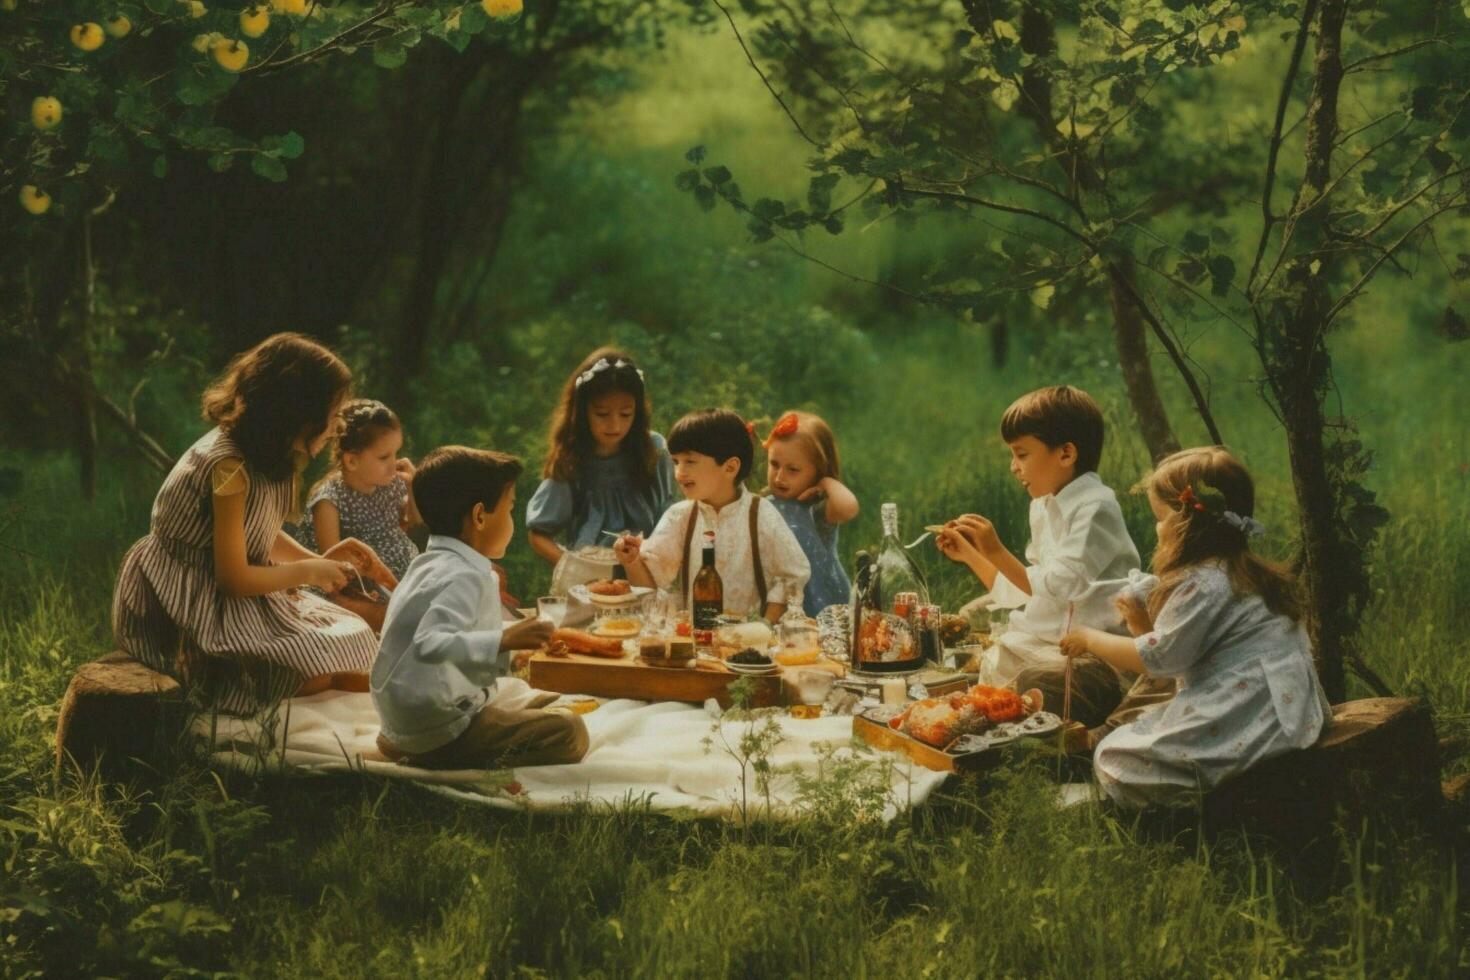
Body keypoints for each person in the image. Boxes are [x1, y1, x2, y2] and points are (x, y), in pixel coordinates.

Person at [112, 333, 394, 715]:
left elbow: (257, 531)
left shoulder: (267, 455)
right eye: (333, 413)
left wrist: (319, 560)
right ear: (297, 413)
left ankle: (332, 680)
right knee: (304, 660)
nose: (338, 426)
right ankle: (319, 682)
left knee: (354, 634)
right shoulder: (227, 468)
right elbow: (233, 578)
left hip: (230, 590)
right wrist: (307, 571)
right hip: (192, 600)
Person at [1061, 447, 1330, 807]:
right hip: (1286, 709)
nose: (1157, 528)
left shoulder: (1201, 583)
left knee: (1115, 757)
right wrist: (1143, 624)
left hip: (1246, 711)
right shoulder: (1242, 572)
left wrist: (1089, 638)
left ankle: (1196, 804)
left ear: (1186, 522)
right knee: (1139, 730)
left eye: (1161, 517)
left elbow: (1161, 660)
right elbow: (1184, 656)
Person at [936, 385, 1140, 727]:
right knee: (1002, 657)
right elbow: (1029, 588)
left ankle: (1034, 734)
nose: (1014, 467)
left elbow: (1057, 585)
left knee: (1042, 679)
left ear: (1065, 454)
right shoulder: (1043, 505)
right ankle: (1006, 725)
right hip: (1050, 638)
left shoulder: (1096, 507)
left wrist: (996, 549)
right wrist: (973, 555)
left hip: (1094, 652)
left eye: (1022, 454)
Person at [373, 446, 588, 769]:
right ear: (479, 516)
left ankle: (486, 721)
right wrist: (504, 640)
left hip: (402, 721)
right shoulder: (462, 576)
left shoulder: (429, 563)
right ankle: (458, 756)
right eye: (510, 509)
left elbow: (452, 633)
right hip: (437, 731)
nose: (513, 522)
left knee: (544, 699)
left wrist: (513, 635)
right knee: (571, 732)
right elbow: (429, 643)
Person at [615, 408, 810, 622]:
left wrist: (765, 628)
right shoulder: (680, 517)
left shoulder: (761, 514)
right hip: (696, 643)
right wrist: (632, 561)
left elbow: (791, 577)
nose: (680, 473)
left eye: (690, 461)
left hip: (751, 645)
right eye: (676, 462)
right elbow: (651, 587)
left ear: (730, 467)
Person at [525, 348, 676, 591]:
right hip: (590, 585)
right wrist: (573, 567)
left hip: (644, 578)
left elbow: (668, 520)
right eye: (602, 414)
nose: (614, 425)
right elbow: (538, 534)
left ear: (638, 412)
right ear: (582, 412)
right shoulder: (573, 457)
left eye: (626, 414)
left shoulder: (654, 450)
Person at [291, 398, 420, 630]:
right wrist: (368, 593)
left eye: (395, 453)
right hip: (361, 586)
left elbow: (414, 521)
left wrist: (415, 488)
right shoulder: (329, 501)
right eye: (384, 457)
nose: (394, 464)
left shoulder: (391, 483)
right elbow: (332, 560)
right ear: (351, 460)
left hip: (403, 577)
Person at [762, 410, 857, 616]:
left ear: (818, 470)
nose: (779, 477)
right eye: (774, 464)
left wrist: (826, 482)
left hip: (825, 600)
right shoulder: (763, 506)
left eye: (793, 469)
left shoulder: (817, 508)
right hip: (781, 602)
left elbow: (849, 508)